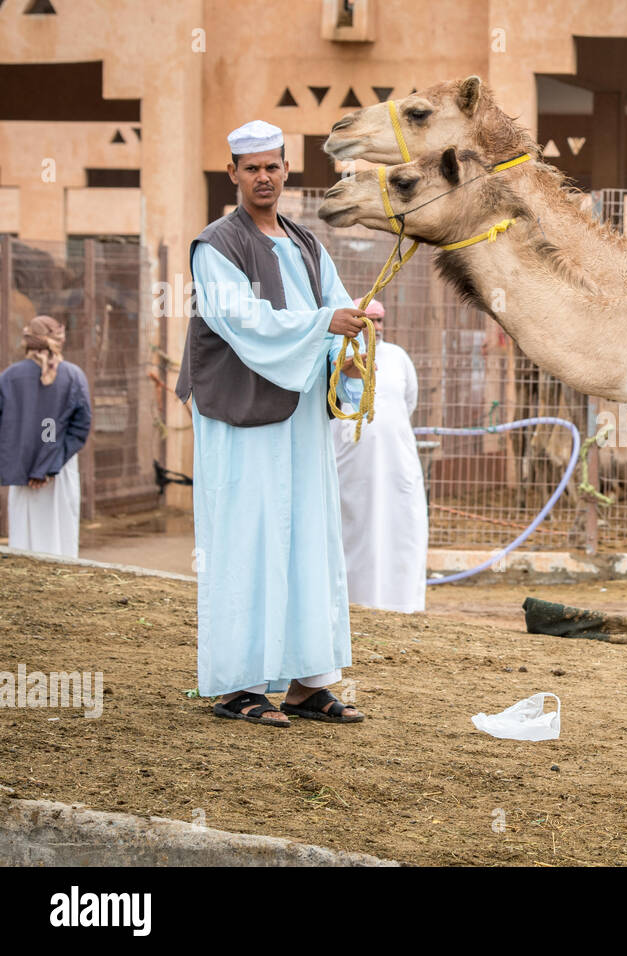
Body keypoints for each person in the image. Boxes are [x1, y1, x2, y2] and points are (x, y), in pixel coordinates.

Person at [175, 119, 372, 727]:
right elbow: (244, 322)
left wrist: (356, 328)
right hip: (241, 421)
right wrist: (324, 326)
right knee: (247, 539)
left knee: (307, 539)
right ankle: (238, 685)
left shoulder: (307, 243)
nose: (263, 177)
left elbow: (334, 307)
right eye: (251, 167)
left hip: (298, 420)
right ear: (233, 173)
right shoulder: (217, 246)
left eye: (273, 166)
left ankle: (307, 684)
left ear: (287, 169)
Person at [331, 298, 429, 613]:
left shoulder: (398, 357)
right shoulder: (339, 356)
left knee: (401, 529)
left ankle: (402, 603)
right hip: (350, 466)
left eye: (380, 320)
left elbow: (409, 402)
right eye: (369, 320)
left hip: (396, 464)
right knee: (353, 528)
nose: (376, 327)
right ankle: (353, 601)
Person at [0, 315, 92, 557]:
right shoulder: (73, 376)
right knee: (60, 540)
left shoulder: (9, 377)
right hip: (59, 475)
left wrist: (26, 465)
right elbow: (78, 427)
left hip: (23, 477)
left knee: (24, 542)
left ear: (28, 342)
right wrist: (48, 466)